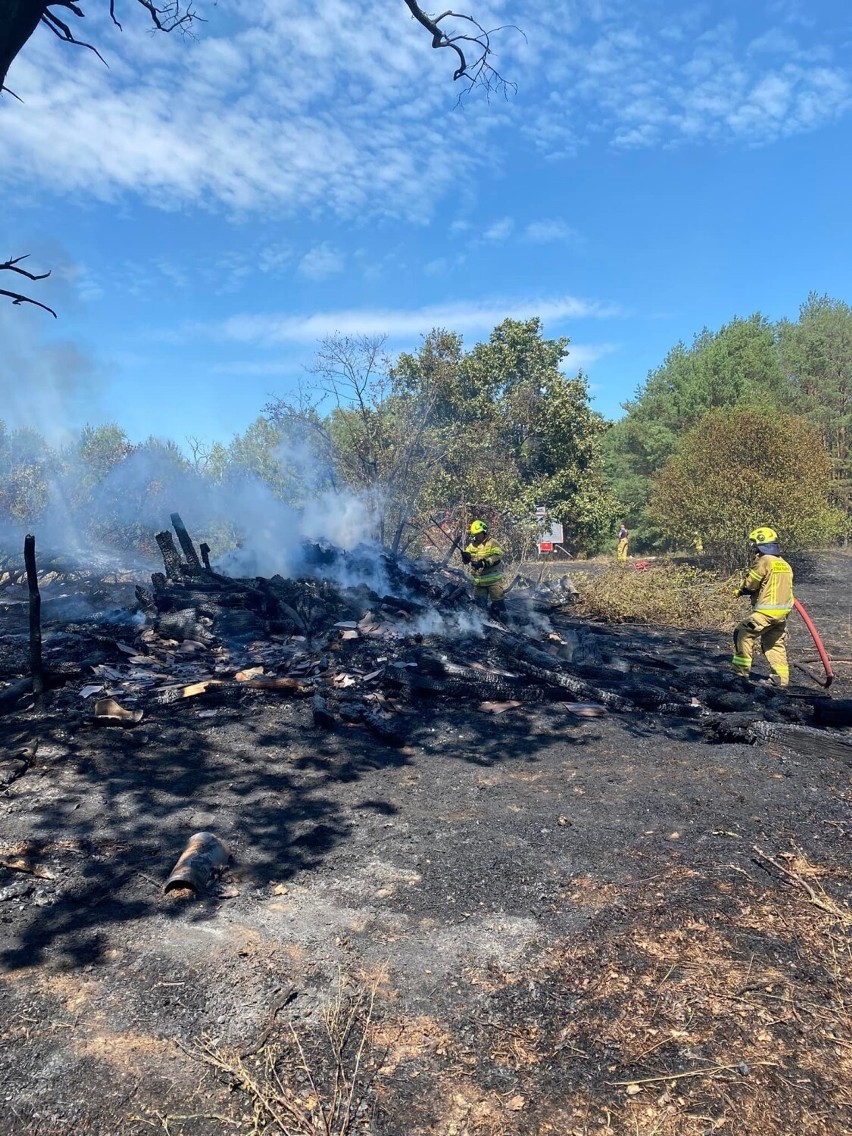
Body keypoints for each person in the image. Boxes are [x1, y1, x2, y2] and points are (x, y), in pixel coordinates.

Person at [731, 526, 794, 688]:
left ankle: (740, 674)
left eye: (754, 545)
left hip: (766, 612)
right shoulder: (784, 564)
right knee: (774, 644)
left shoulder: (764, 561)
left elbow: (751, 584)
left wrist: (740, 590)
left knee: (742, 632)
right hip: (781, 615)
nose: (754, 550)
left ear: (759, 545)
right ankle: (780, 680)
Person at [461, 519, 506, 617]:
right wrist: (465, 557)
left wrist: (483, 563)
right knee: (480, 606)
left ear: (484, 532)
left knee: (498, 606)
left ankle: (505, 623)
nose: (476, 536)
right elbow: (467, 558)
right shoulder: (472, 545)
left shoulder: (492, 543)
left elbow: (497, 557)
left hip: (494, 581)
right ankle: (484, 625)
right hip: (479, 582)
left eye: (478, 534)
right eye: (475, 534)